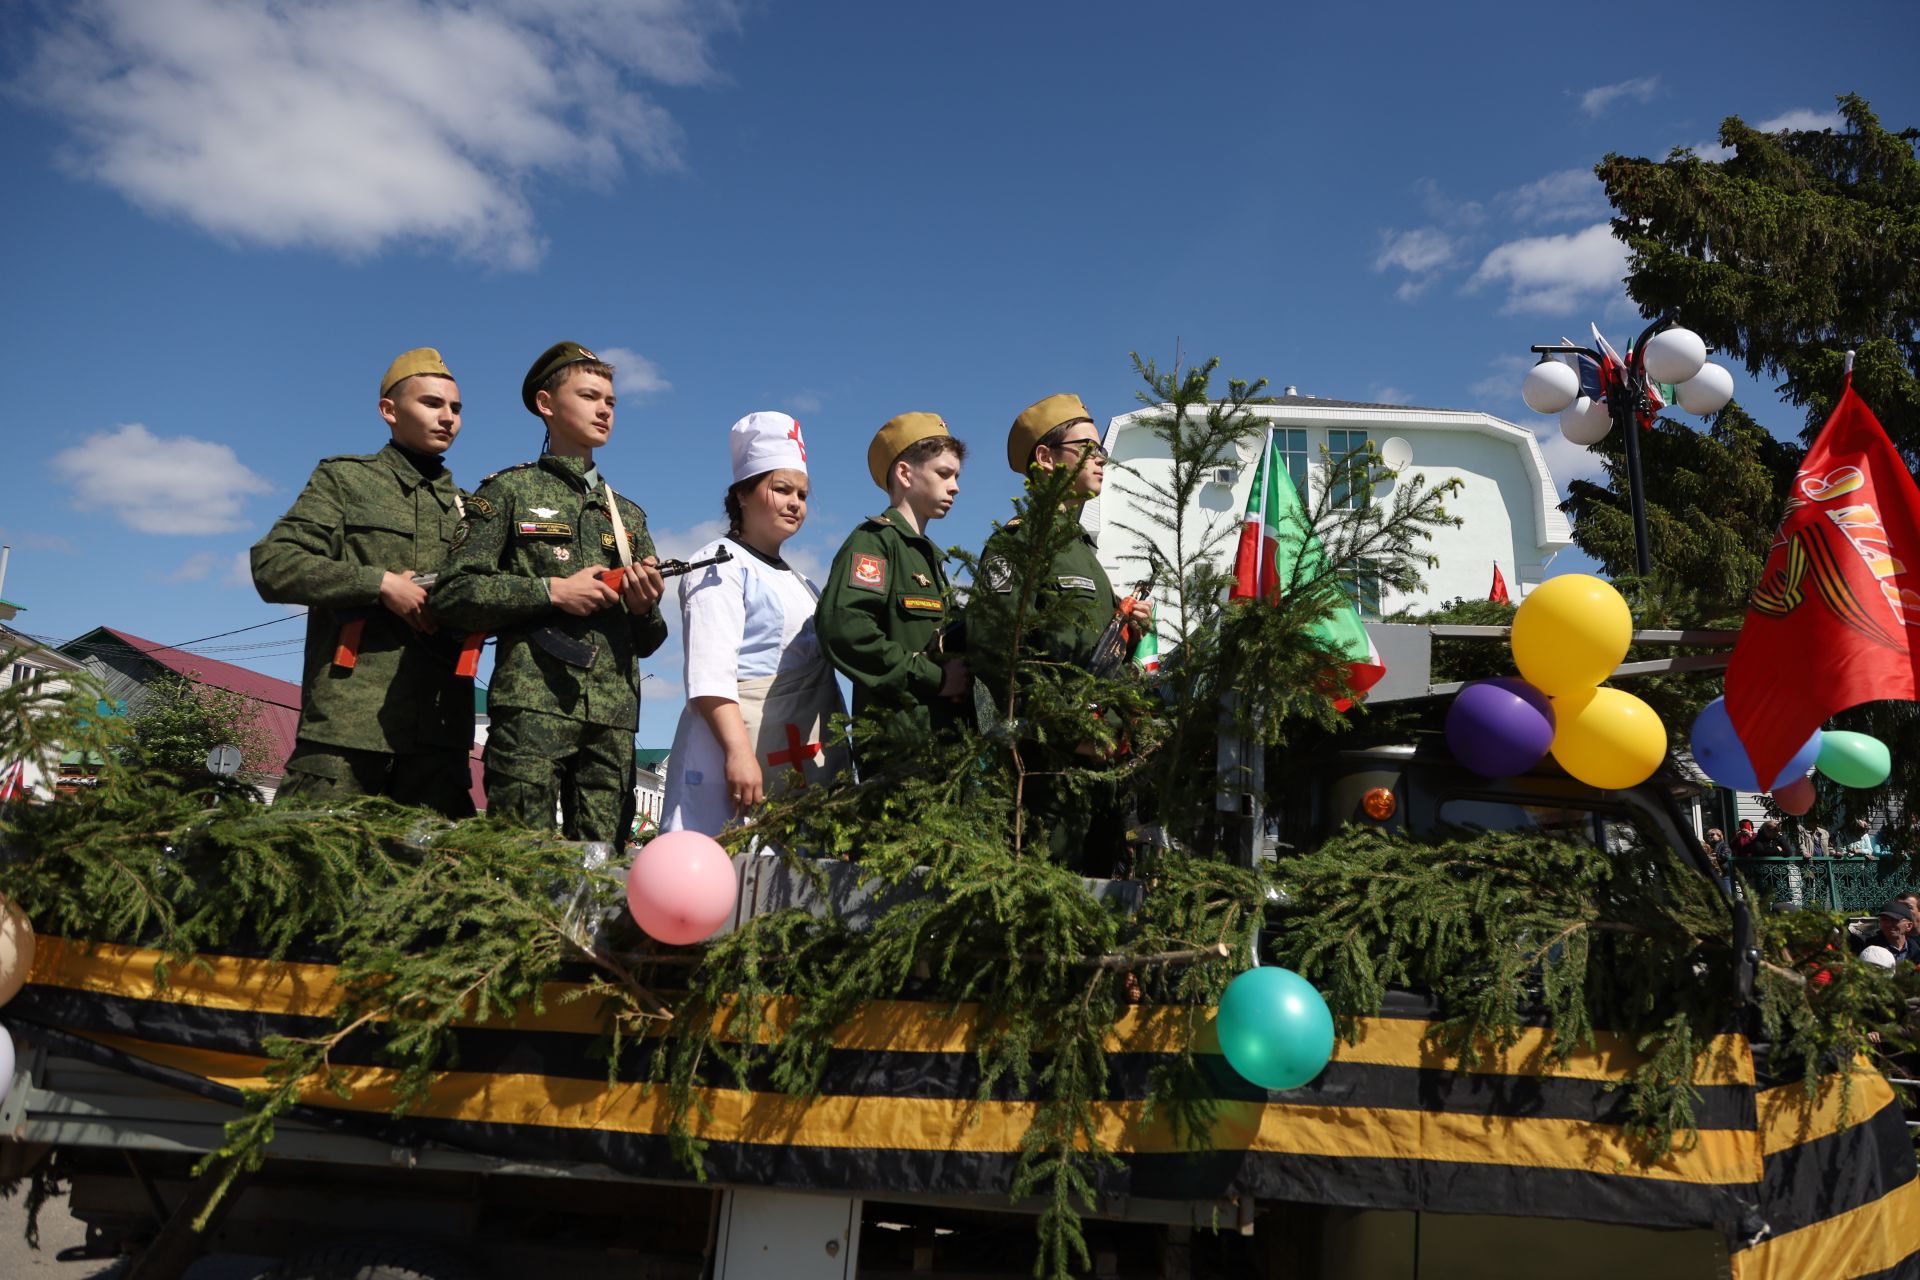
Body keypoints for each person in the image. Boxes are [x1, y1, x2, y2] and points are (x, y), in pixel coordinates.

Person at [431, 342, 667, 845]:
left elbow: (649, 638)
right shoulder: (508, 492)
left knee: (601, 868)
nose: (605, 408)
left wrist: (644, 607)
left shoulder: (626, 516)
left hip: (613, 719)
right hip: (532, 709)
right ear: (546, 404)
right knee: (520, 861)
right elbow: (455, 592)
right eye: (589, 395)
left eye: (611, 400)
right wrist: (550, 592)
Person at [250, 347, 476, 816]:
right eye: (432, 403)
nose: (448, 417)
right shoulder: (346, 481)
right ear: (388, 411)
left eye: (455, 408)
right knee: (307, 872)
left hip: (439, 733)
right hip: (347, 728)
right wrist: (380, 584)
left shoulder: (470, 509)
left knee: (436, 884)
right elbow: (274, 564)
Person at [661, 413, 848, 834]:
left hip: (793, 762)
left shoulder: (805, 583)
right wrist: (738, 754)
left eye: (801, 493)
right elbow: (710, 674)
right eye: (781, 489)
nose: (795, 502)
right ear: (743, 494)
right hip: (731, 759)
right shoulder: (719, 565)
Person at [967, 393, 1122, 873]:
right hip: (1044, 768)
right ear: (1046, 458)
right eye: (1088, 448)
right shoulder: (1020, 543)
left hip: (1100, 759)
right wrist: (1064, 732)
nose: (1101, 460)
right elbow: (998, 650)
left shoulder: (1083, 553)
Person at [814, 413, 970, 750]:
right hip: (899, 749)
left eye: (956, 475)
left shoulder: (929, 558)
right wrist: (934, 679)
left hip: (943, 746)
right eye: (944, 473)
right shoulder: (875, 542)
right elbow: (846, 630)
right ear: (904, 473)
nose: (955, 485)